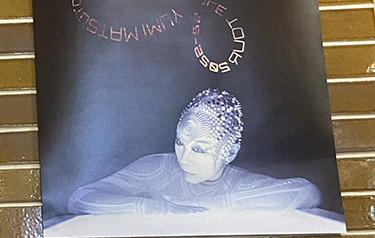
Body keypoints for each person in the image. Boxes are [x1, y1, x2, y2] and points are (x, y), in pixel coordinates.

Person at [67, 88, 322, 215]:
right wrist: (157, 209)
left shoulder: (239, 184)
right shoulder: (159, 168)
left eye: (199, 149)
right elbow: (80, 199)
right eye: (180, 143)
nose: (184, 158)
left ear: (229, 152)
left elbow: (306, 192)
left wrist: (205, 206)